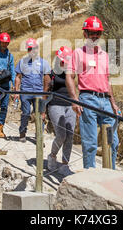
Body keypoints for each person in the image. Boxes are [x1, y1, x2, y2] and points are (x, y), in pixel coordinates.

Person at [65, 16, 121, 170]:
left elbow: (107, 81)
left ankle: (111, 175)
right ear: (85, 34)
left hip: (105, 101)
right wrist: (74, 100)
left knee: (113, 142)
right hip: (87, 99)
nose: (95, 36)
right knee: (90, 143)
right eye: (91, 33)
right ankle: (91, 177)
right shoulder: (77, 53)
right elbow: (69, 76)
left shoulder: (105, 55)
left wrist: (113, 103)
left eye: (98, 33)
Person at [14, 38, 51, 142]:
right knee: (26, 113)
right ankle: (22, 132)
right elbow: (18, 77)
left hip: (39, 93)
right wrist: (16, 91)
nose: (32, 51)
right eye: (29, 49)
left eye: (33, 48)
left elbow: (47, 78)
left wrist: (45, 93)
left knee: (39, 114)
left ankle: (39, 136)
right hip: (25, 92)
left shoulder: (44, 62)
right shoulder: (22, 62)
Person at [47, 46, 76, 176]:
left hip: (70, 105)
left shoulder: (73, 72)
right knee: (61, 135)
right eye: (63, 60)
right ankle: (52, 155)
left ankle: (65, 164)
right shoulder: (51, 73)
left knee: (70, 135)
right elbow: (45, 91)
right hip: (55, 104)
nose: (65, 63)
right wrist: (42, 110)